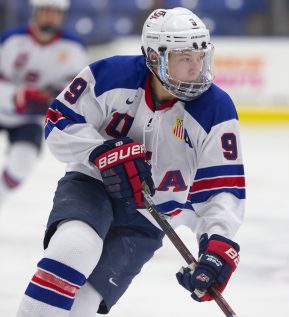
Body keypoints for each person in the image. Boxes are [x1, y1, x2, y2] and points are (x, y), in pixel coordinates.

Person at [16, 7, 245, 317]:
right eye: (184, 58)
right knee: (74, 248)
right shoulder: (110, 75)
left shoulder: (216, 109)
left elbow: (221, 189)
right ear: (154, 55)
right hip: (92, 184)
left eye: (199, 56)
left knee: (83, 304)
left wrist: (216, 247)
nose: (195, 68)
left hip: (152, 217)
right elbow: (59, 122)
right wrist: (100, 151)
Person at [0, 0, 87, 208]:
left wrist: (52, 100)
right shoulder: (12, 40)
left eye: (56, 12)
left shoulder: (74, 47)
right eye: (46, 11)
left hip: (29, 119)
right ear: (35, 12)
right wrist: (16, 96)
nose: (50, 17)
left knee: (23, 162)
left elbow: (77, 90)